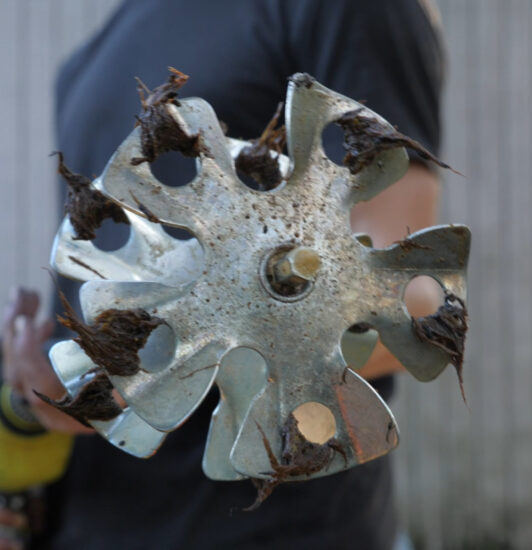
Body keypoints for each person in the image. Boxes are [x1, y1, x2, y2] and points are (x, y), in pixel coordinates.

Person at [1, 0, 444, 548]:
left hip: (274, 530)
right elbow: (100, 285)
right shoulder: (89, 58)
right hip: (90, 522)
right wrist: (35, 394)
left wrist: (151, 371)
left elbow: (409, 302)